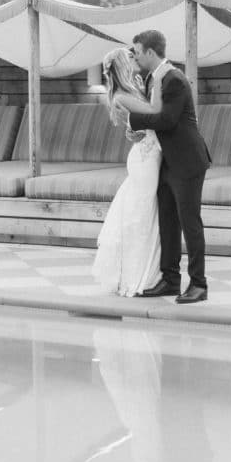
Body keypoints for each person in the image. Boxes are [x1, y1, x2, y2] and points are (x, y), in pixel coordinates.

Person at [114, 30, 211, 305]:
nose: (134, 56)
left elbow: (167, 120)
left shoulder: (174, 80)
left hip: (187, 161)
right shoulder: (153, 79)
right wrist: (136, 130)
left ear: (150, 52)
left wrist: (133, 119)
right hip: (166, 161)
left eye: (137, 51)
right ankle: (170, 280)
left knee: (190, 222)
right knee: (168, 222)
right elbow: (156, 122)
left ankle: (199, 284)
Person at [92, 47, 165, 297]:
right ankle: (138, 277)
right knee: (141, 216)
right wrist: (162, 83)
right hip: (144, 159)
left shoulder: (131, 90)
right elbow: (155, 113)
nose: (135, 59)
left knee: (145, 214)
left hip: (150, 155)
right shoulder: (121, 96)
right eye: (131, 57)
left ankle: (149, 271)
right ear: (123, 64)